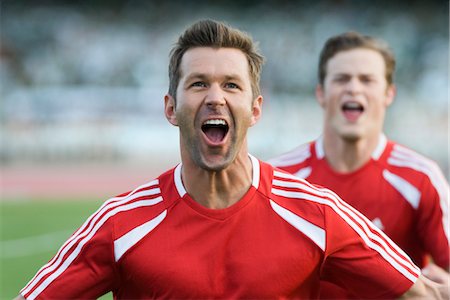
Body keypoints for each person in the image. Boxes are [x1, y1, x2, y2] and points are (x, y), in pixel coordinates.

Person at [17, 21, 447, 300]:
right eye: (199, 83)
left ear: (256, 109)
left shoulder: (317, 212)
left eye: (232, 85)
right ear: (171, 108)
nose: (216, 97)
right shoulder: (120, 223)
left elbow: (422, 296)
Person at [268, 31, 449, 297]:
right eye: (342, 79)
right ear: (321, 93)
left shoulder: (420, 177)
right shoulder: (279, 178)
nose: (354, 88)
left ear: (389, 94)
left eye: (367, 80)